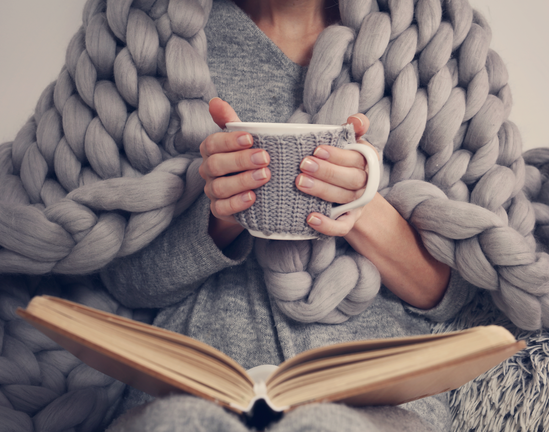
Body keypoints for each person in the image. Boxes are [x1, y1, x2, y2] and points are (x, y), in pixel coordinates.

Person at [100, 0, 476, 430]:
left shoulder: (430, 42)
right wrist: (225, 211)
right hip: (194, 384)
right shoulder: (153, 40)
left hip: (378, 398)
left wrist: (362, 202)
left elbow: (452, 294)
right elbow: (126, 284)